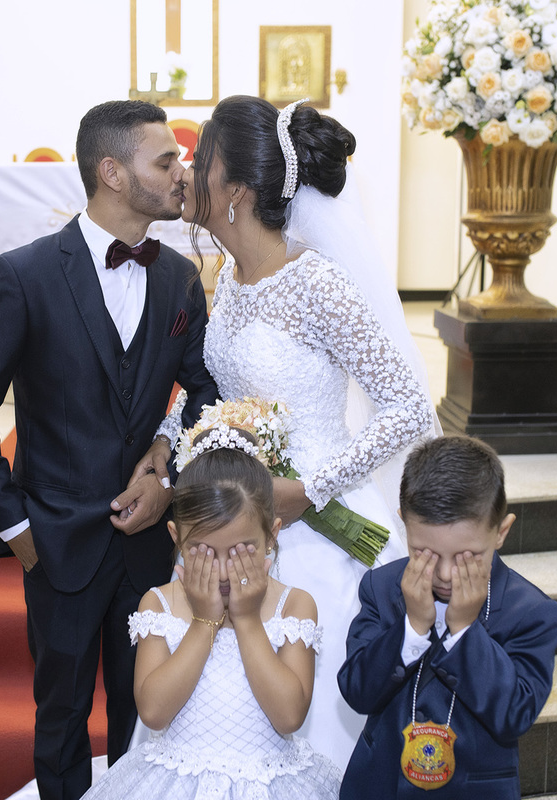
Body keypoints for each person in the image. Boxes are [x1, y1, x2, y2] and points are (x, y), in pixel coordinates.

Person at [138, 94, 439, 767]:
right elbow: (220, 388)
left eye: (201, 160)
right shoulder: (233, 277)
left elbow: (408, 405)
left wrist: (312, 488)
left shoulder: (316, 284)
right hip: (239, 523)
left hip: (318, 528)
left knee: (313, 725)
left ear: (236, 191)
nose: (187, 171)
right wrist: (167, 440)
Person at [0, 99, 218, 800]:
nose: (181, 171)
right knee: (62, 715)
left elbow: (204, 390)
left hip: (148, 543)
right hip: (55, 537)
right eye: (165, 159)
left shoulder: (179, 276)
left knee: (148, 714)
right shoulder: (24, 275)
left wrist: (169, 471)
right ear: (112, 173)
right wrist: (15, 526)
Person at [83, 427, 341, 799]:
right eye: (203, 552)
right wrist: (204, 621)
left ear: (272, 535)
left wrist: (248, 620)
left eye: (240, 552)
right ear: (176, 536)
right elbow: (153, 712)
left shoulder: (294, 606)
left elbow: (288, 717)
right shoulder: (160, 604)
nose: (221, 571)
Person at [338, 435, 557, 799]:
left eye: (466, 557)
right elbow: (357, 692)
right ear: (403, 524)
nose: (444, 574)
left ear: (501, 532)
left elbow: (515, 715)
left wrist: (464, 630)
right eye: (423, 552)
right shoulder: (381, 588)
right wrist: (411, 627)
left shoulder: (532, 612)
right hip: (381, 785)